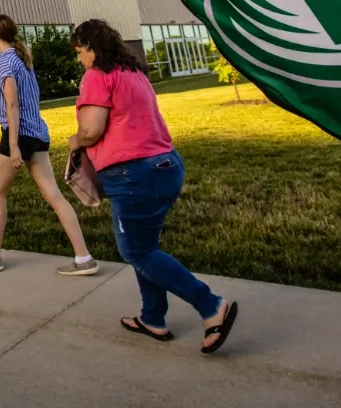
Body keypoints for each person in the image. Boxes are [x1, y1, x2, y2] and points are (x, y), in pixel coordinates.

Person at [68, 19, 238, 354]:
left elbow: (91, 130)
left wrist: (74, 140)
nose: (79, 59)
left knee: (136, 250)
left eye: (79, 51)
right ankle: (152, 318)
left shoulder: (97, 76)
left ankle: (211, 305)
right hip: (166, 165)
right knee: (146, 246)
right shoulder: (134, 73)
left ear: (91, 47)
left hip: (133, 174)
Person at [0, 15, 99, 276]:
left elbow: (12, 105)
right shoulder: (21, 60)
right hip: (38, 132)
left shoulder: (5, 63)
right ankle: (84, 258)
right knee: (54, 195)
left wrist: (13, 146)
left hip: (19, 135)